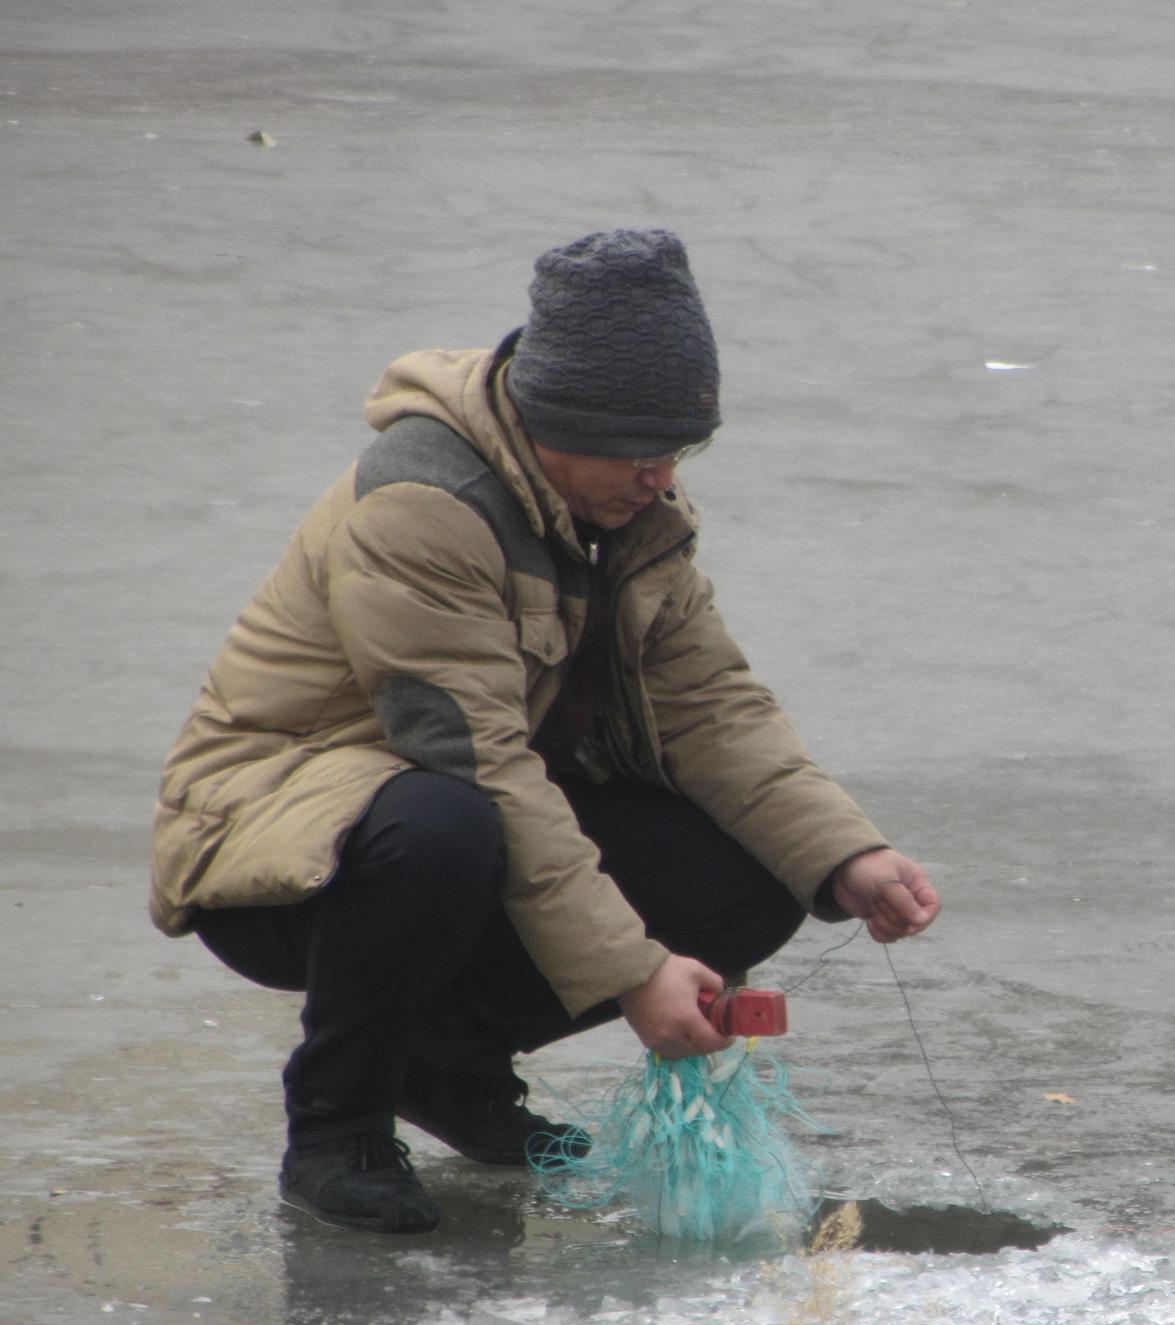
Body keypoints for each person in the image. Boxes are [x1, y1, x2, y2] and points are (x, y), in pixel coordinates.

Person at [149, 229, 939, 1235]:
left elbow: (708, 705)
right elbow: (474, 761)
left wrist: (845, 854)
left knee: (748, 871)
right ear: (551, 419)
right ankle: (336, 1128)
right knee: (444, 823)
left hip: (462, 809)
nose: (660, 476)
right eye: (634, 449)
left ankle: (443, 1063)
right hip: (282, 838)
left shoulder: (627, 509)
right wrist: (632, 972)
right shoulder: (421, 504)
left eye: (678, 450)